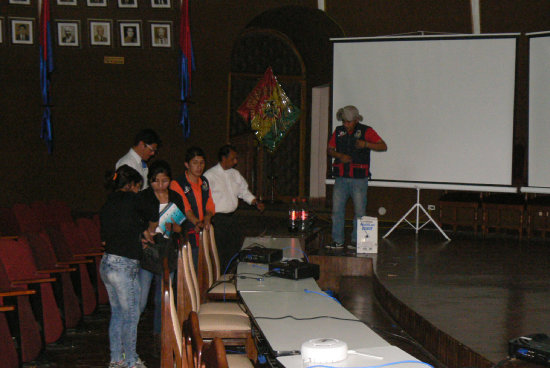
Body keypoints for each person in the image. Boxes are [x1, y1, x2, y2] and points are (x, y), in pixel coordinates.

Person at [100, 165, 158, 368]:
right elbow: (153, 211)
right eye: (138, 187)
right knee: (132, 315)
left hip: (107, 263)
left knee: (117, 313)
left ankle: (116, 359)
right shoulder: (134, 199)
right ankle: (131, 361)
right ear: (133, 185)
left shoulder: (108, 203)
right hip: (124, 265)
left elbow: (109, 235)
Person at [136, 160, 184, 347]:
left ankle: (159, 333)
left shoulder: (175, 197)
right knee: (141, 297)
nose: (160, 185)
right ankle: (132, 332)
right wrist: (148, 227)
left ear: (170, 181)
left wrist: (174, 227)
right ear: (150, 181)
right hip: (149, 251)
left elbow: (182, 227)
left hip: (168, 251)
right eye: (156, 181)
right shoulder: (144, 197)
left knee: (163, 296)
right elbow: (136, 223)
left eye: (164, 181)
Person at [327, 105, 387, 249]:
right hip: (341, 177)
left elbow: (383, 146)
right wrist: (339, 155)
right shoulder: (338, 131)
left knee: (359, 212)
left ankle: (356, 241)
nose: (346, 125)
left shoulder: (366, 130)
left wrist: (366, 144)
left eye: (348, 122)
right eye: (344, 122)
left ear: (355, 120)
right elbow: (330, 149)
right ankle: (337, 241)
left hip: (359, 178)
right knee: (337, 211)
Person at [204, 144, 264, 270]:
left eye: (236, 158)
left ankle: (231, 275)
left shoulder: (235, 174)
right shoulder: (210, 175)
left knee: (235, 249)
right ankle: (220, 278)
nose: (235, 161)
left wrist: (254, 201)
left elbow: (243, 191)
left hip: (231, 218)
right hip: (217, 219)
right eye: (233, 159)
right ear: (223, 158)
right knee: (221, 252)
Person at [170, 147, 215, 267]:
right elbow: (186, 209)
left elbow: (209, 203)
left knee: (204, 270)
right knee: (189, 272)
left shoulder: (204, 181)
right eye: (195, 163)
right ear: (186, 164)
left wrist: (207, 217)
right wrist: (197, 222)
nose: (199, 166)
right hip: (186, 232)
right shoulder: (178, 183)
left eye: (202, 163)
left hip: (202, 231)